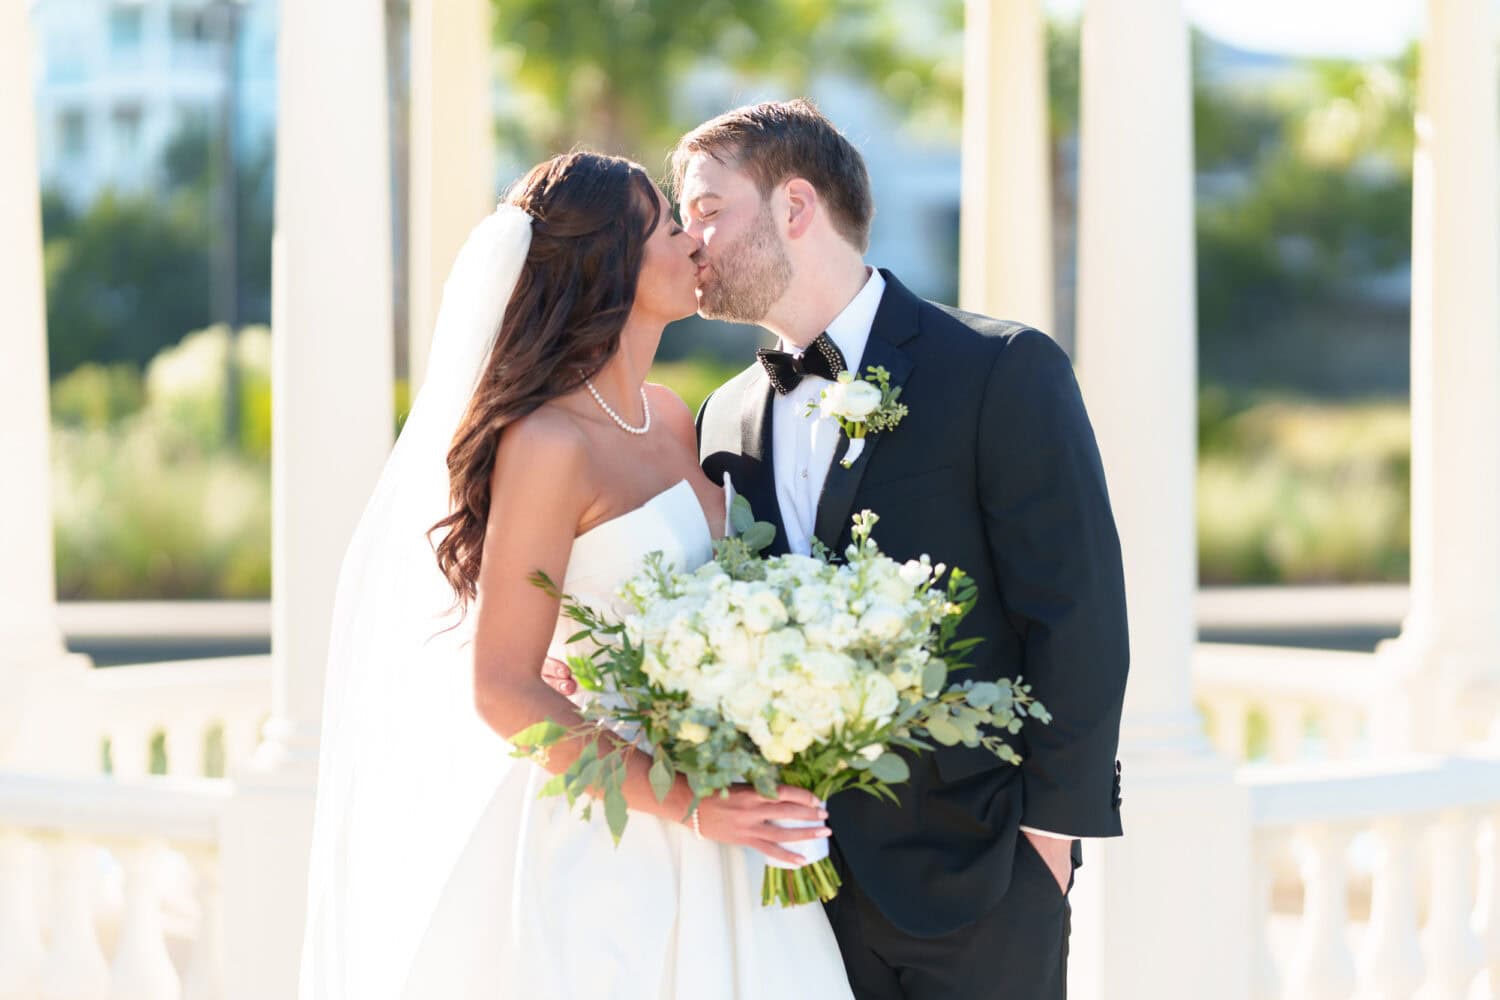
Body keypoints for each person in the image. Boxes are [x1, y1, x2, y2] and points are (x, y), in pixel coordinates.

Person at [299, 151, 854, 999]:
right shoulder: (548, 444)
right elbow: (502, 691)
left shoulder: (671, 415)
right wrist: (693, 804)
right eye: (672, 227)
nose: (694, 242)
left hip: (734, 820)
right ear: (613, 267)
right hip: (621, 839)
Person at [679, 99, 1130, 1000]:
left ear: (794, 207)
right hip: (791, 894)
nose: (691, 240)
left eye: (707, 210)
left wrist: (1049, 839)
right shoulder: (722, 416)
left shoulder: (1001, 369)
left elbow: (1076, 609)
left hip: (982, 875)